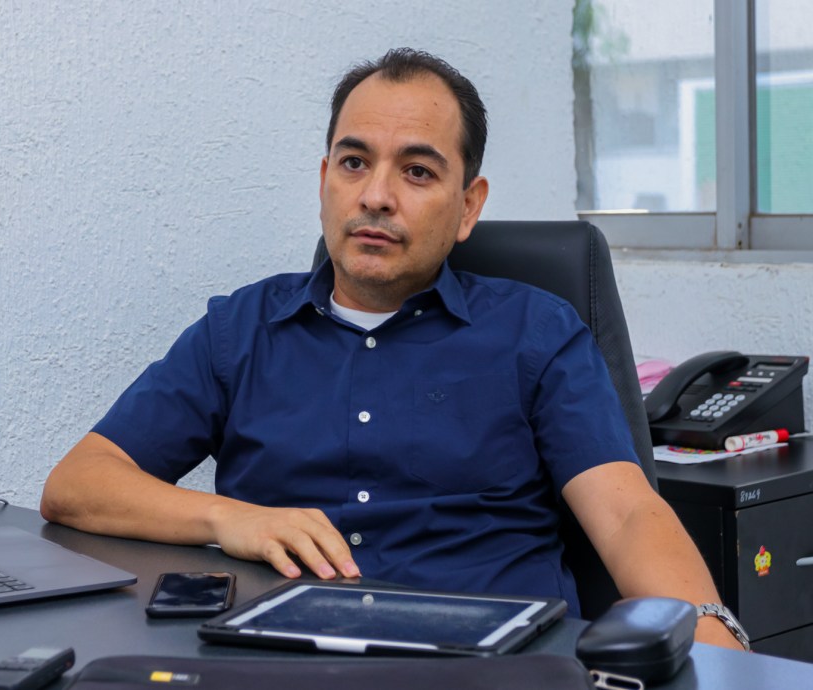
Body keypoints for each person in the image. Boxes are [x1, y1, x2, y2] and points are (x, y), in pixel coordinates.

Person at [41, 48, 744, 650]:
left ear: (468, 206)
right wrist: (230, 519)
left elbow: (626, 514)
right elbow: (78, 484)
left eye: (417, 171)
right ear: (324, 181)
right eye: (354, 162)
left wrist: (715, 643)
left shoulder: (536, 333)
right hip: (281, 659)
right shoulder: (242, 330)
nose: (375, 196)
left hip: (492, 666)